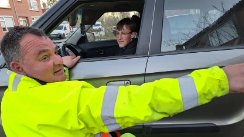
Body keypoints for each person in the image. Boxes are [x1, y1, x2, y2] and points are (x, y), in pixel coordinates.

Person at [1, 26, 244, 137]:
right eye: (45, 57)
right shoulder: (62, 102)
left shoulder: (14, 95)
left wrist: (54, 64)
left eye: (55, 52)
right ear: (18, 67)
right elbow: (141, 100)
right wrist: (220, 79)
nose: (56, 60)